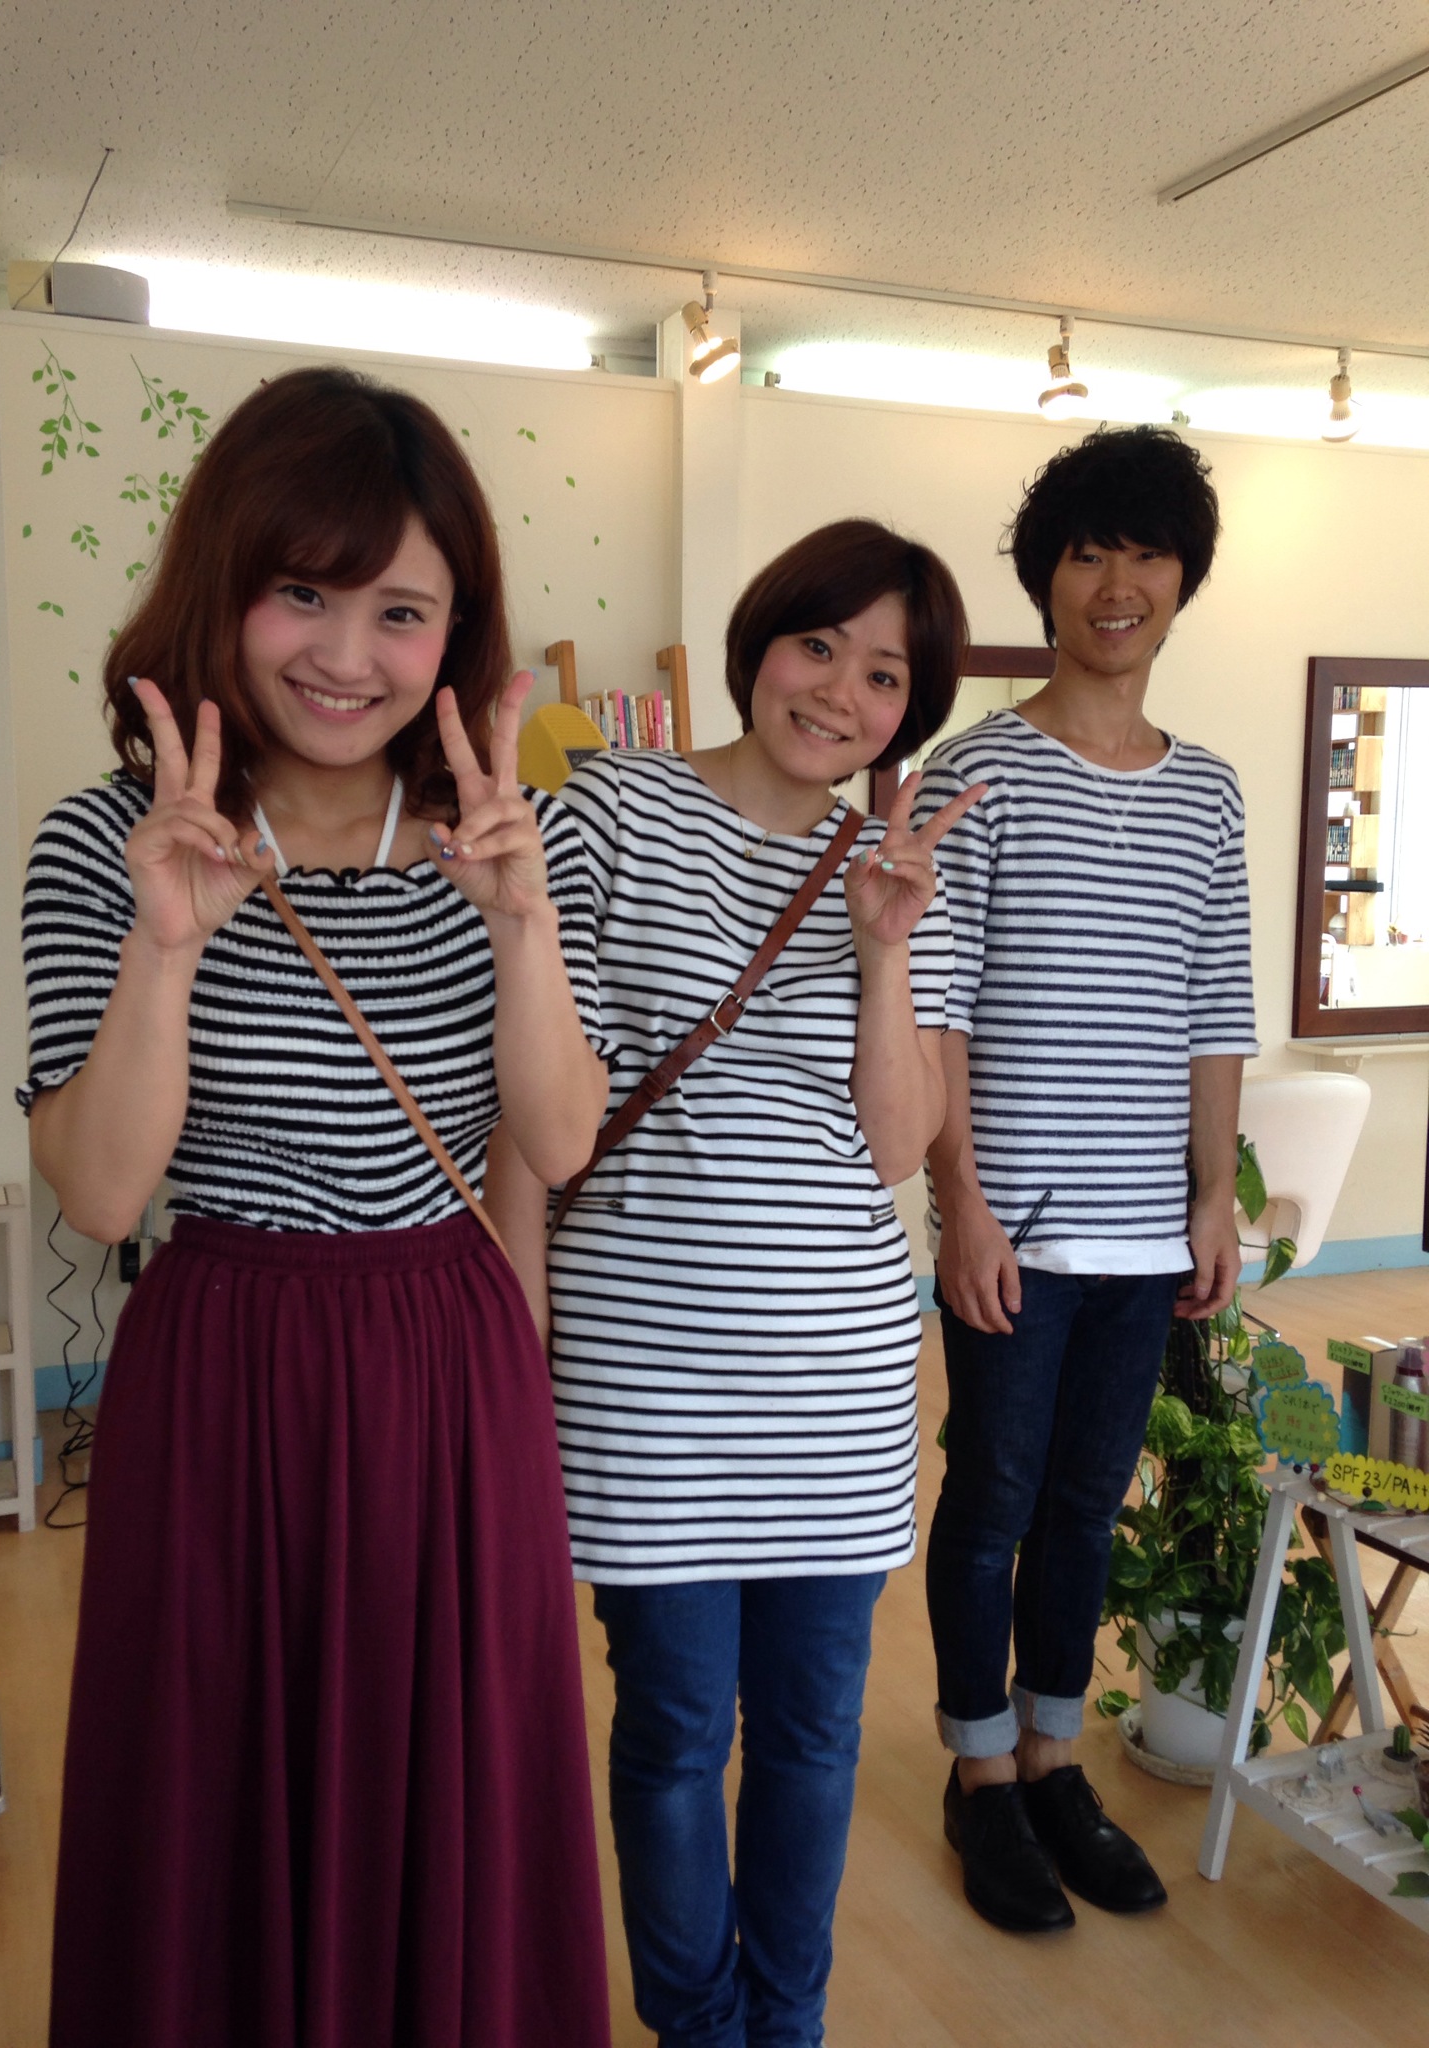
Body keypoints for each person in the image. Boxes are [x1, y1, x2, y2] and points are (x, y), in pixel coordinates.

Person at [19, 366, 612, 2047]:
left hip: (451, 1362)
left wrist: (520, 924)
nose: (348, 654)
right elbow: (105, 1190)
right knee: (215, 1782)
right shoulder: (105, 843)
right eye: (303, 593)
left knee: (455, 1780)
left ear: (454, 636)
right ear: (226, 585)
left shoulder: (510, 840)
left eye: (400, 611)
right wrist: (167, 943)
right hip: (228, 1365)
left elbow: (558, 1141)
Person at [492, 520, 981, 2047]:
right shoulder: (609, 812)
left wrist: (885, 947)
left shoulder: (902, 866)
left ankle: (790, 2022)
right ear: (760, 641)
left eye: (884, 674)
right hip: (647, 1371)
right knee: (675, 1727)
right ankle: (698, 2027)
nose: (839, 691)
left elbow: (894, 1147)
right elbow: (538, 1106)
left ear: (910, 707)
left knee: (817, 1732)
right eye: (818, 644)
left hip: (836, 1375)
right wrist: (517, 1337)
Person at [915, 425, 1258, 1932]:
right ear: (1045, 580)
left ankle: (1056, 1757)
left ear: (1183, 579)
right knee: (991, 1498)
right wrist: (963, 1206)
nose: (1117, 583)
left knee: (1088, 1505)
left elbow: (1214, 1009)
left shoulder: (1212, 793)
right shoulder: (977, 772)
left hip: (1144, 1239)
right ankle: (981, 1771)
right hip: (1017, 1235)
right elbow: (938, 1009)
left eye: (1146, 554)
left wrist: (1212, 1197)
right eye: (1087, 553)